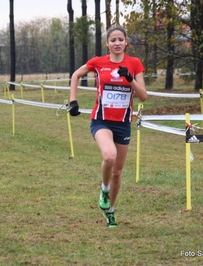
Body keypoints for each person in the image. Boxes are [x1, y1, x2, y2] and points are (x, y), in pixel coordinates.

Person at [69, 25, 148, 228]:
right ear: (107, 43)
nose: (117, 43)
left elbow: (143, 96)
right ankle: (104, 190)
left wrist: (129, 78)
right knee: (109, 156)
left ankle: (110, 211)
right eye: (113, 40)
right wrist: (73, 101)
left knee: (117, 173)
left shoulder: (134, 64)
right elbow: (76, 75)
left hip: (123, 124)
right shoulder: (98, 63)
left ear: (126, 42)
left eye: (120, 39)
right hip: (101, 121)